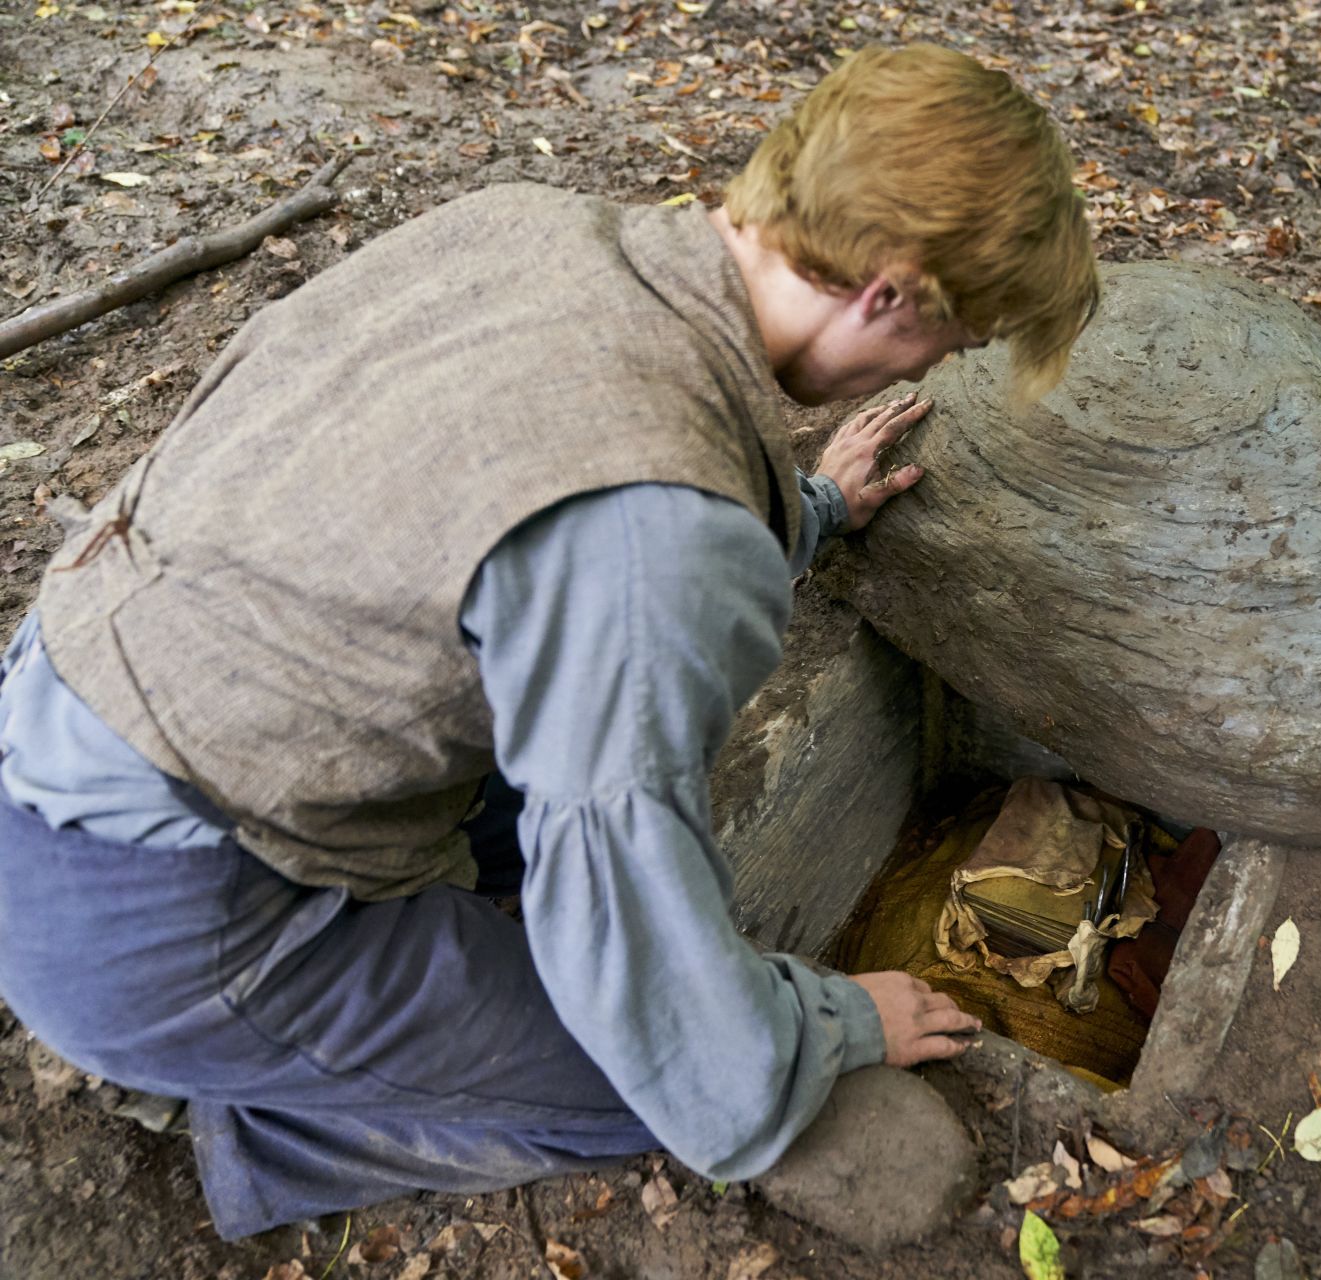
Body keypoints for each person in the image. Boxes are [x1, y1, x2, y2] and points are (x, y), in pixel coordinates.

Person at [0, 43, 1097, 1238]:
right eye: (953, 339)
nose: (937, 365)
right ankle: (256, 1095)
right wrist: (821, 1027)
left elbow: (531, 505)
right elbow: (642, 941)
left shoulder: (530, 225)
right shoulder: (660, 543)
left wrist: (813, 507)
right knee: (656, 1073)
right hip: (150, 917)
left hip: (81, 709)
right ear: (890, 292)